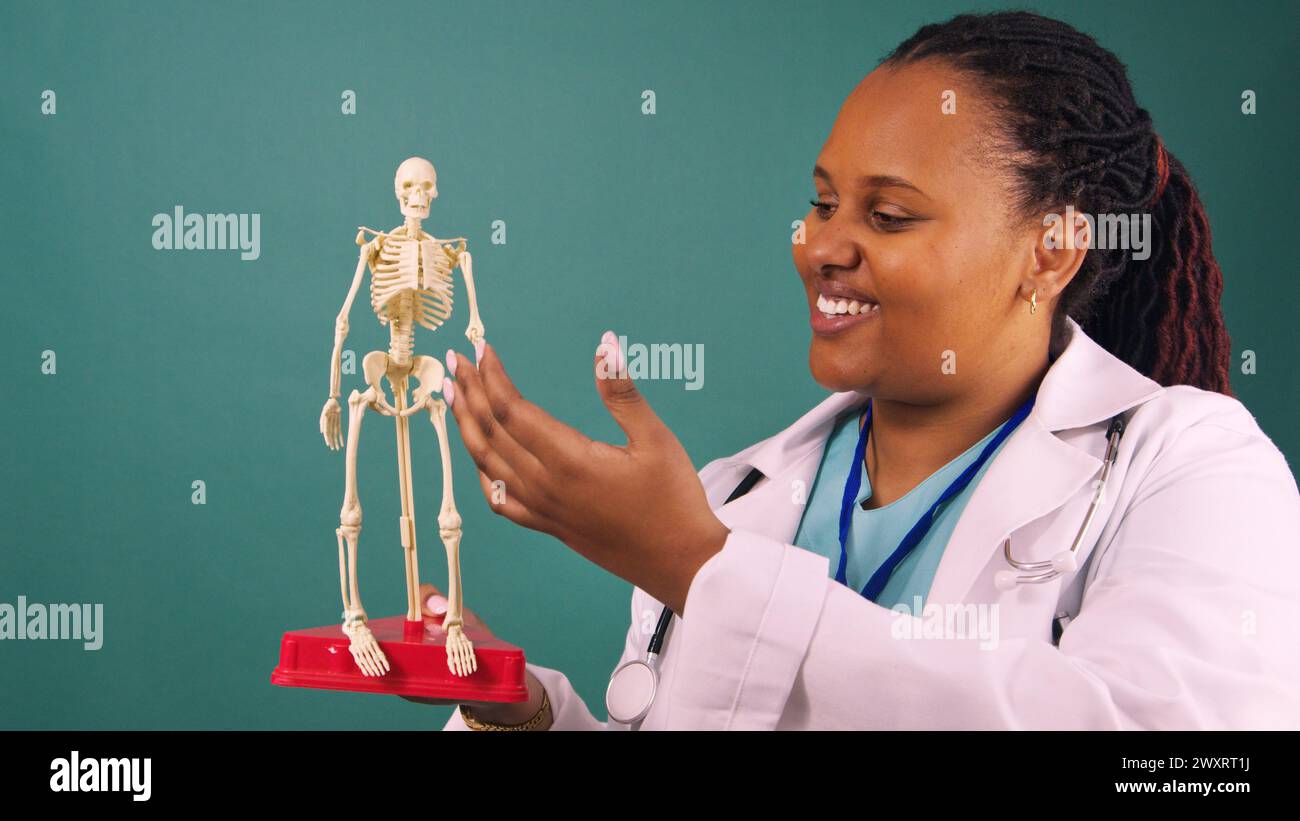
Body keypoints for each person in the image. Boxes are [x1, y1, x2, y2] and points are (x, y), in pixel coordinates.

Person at [408, 10, 1300, 730]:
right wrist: (516, 714)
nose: (823, 245)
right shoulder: (736, 494)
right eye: (824, 201)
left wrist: (698, 567)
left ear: (1052, 250)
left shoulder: (1193, 468)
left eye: (889, 215)